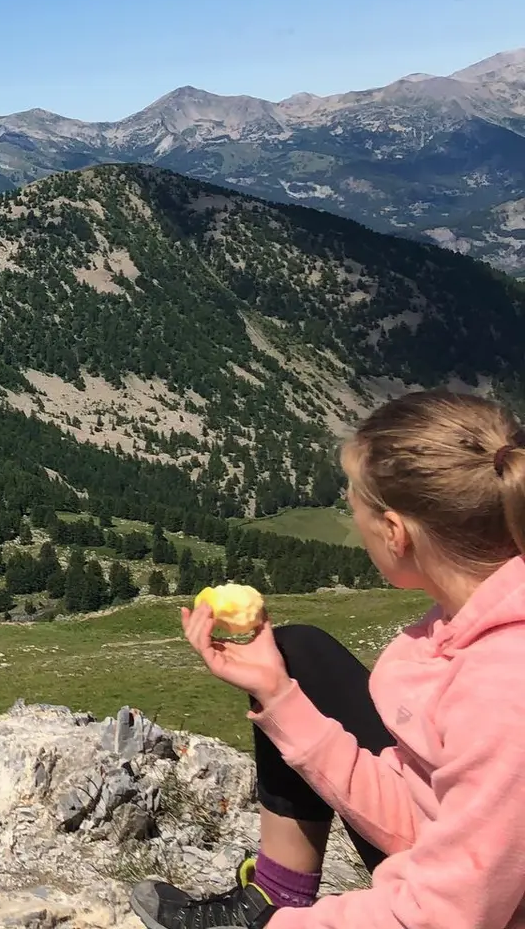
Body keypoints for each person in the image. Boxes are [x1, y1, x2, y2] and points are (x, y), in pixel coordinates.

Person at [131, 390, 525, 929]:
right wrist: (278, 695)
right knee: (300, 654)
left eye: (354, 506)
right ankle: (275, 893)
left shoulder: (504, 690)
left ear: (394, 533)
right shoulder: (475, 617)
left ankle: (270, 912)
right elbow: (425, 817)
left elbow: (443, 916)